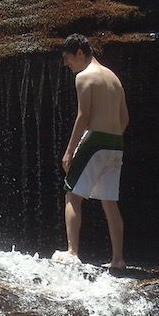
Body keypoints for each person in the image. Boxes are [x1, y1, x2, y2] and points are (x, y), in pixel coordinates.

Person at [54, 34, 129, 269]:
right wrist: (109, 136)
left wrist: (69, 151)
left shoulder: (84, 77)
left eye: (69, 61)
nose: (69, 67)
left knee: (72, 194)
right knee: (110, 202)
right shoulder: (113, 78)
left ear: (79, 53)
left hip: (95, 141)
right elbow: (124, 118)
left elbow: (83, 117)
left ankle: (72, 252)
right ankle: (118, 260)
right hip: (116, 143)